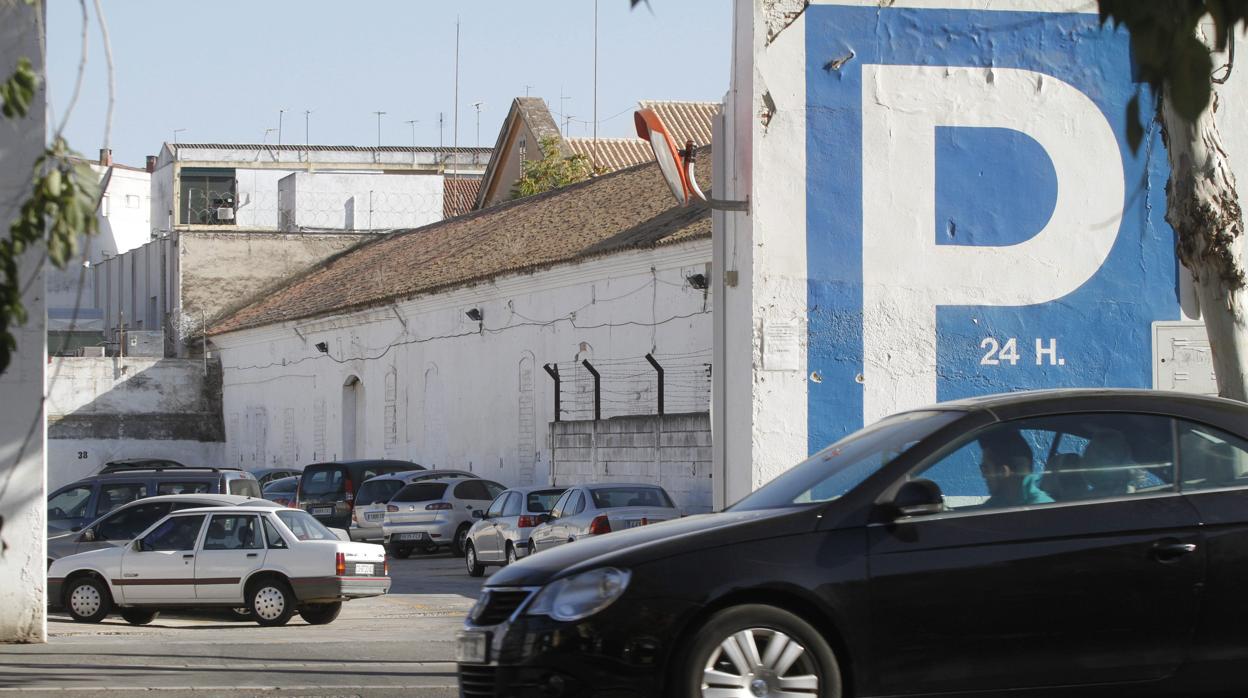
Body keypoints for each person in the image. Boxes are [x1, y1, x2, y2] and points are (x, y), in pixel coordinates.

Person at [979, 430, 1054, 507]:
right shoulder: (999, 501)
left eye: (985, 468)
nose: (983, 475)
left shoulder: (1041, 510)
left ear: (1002, 472)